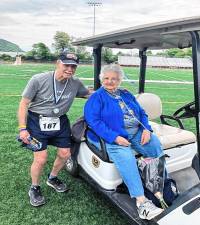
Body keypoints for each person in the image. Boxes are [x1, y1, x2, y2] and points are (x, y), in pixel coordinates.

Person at [84, 64, 164, 220]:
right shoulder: (96, 97)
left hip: (137, 133)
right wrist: (114, 137)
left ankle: (158, 184)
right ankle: (142, 203)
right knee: (127, 158)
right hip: (114, 136)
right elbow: (94, 121)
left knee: (155, 146)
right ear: (101, 79)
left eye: (114, 79)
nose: (110, 81)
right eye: (106, 78)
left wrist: (147, 129)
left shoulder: (126, 94)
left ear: (120, 80)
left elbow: (141, 112)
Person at [18, 50, 91, 207]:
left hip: (60, 121)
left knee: (65, 153)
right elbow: (24, 103)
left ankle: (52, 178)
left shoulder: (75, 83)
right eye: (67, 65)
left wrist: (108, 89)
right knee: (41, 158)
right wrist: (22, 128)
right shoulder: (38, 79)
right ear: (58, 63)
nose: (70, 69)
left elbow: (88, 94)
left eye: (74, 67)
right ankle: (34, 188)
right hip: (37, 121)